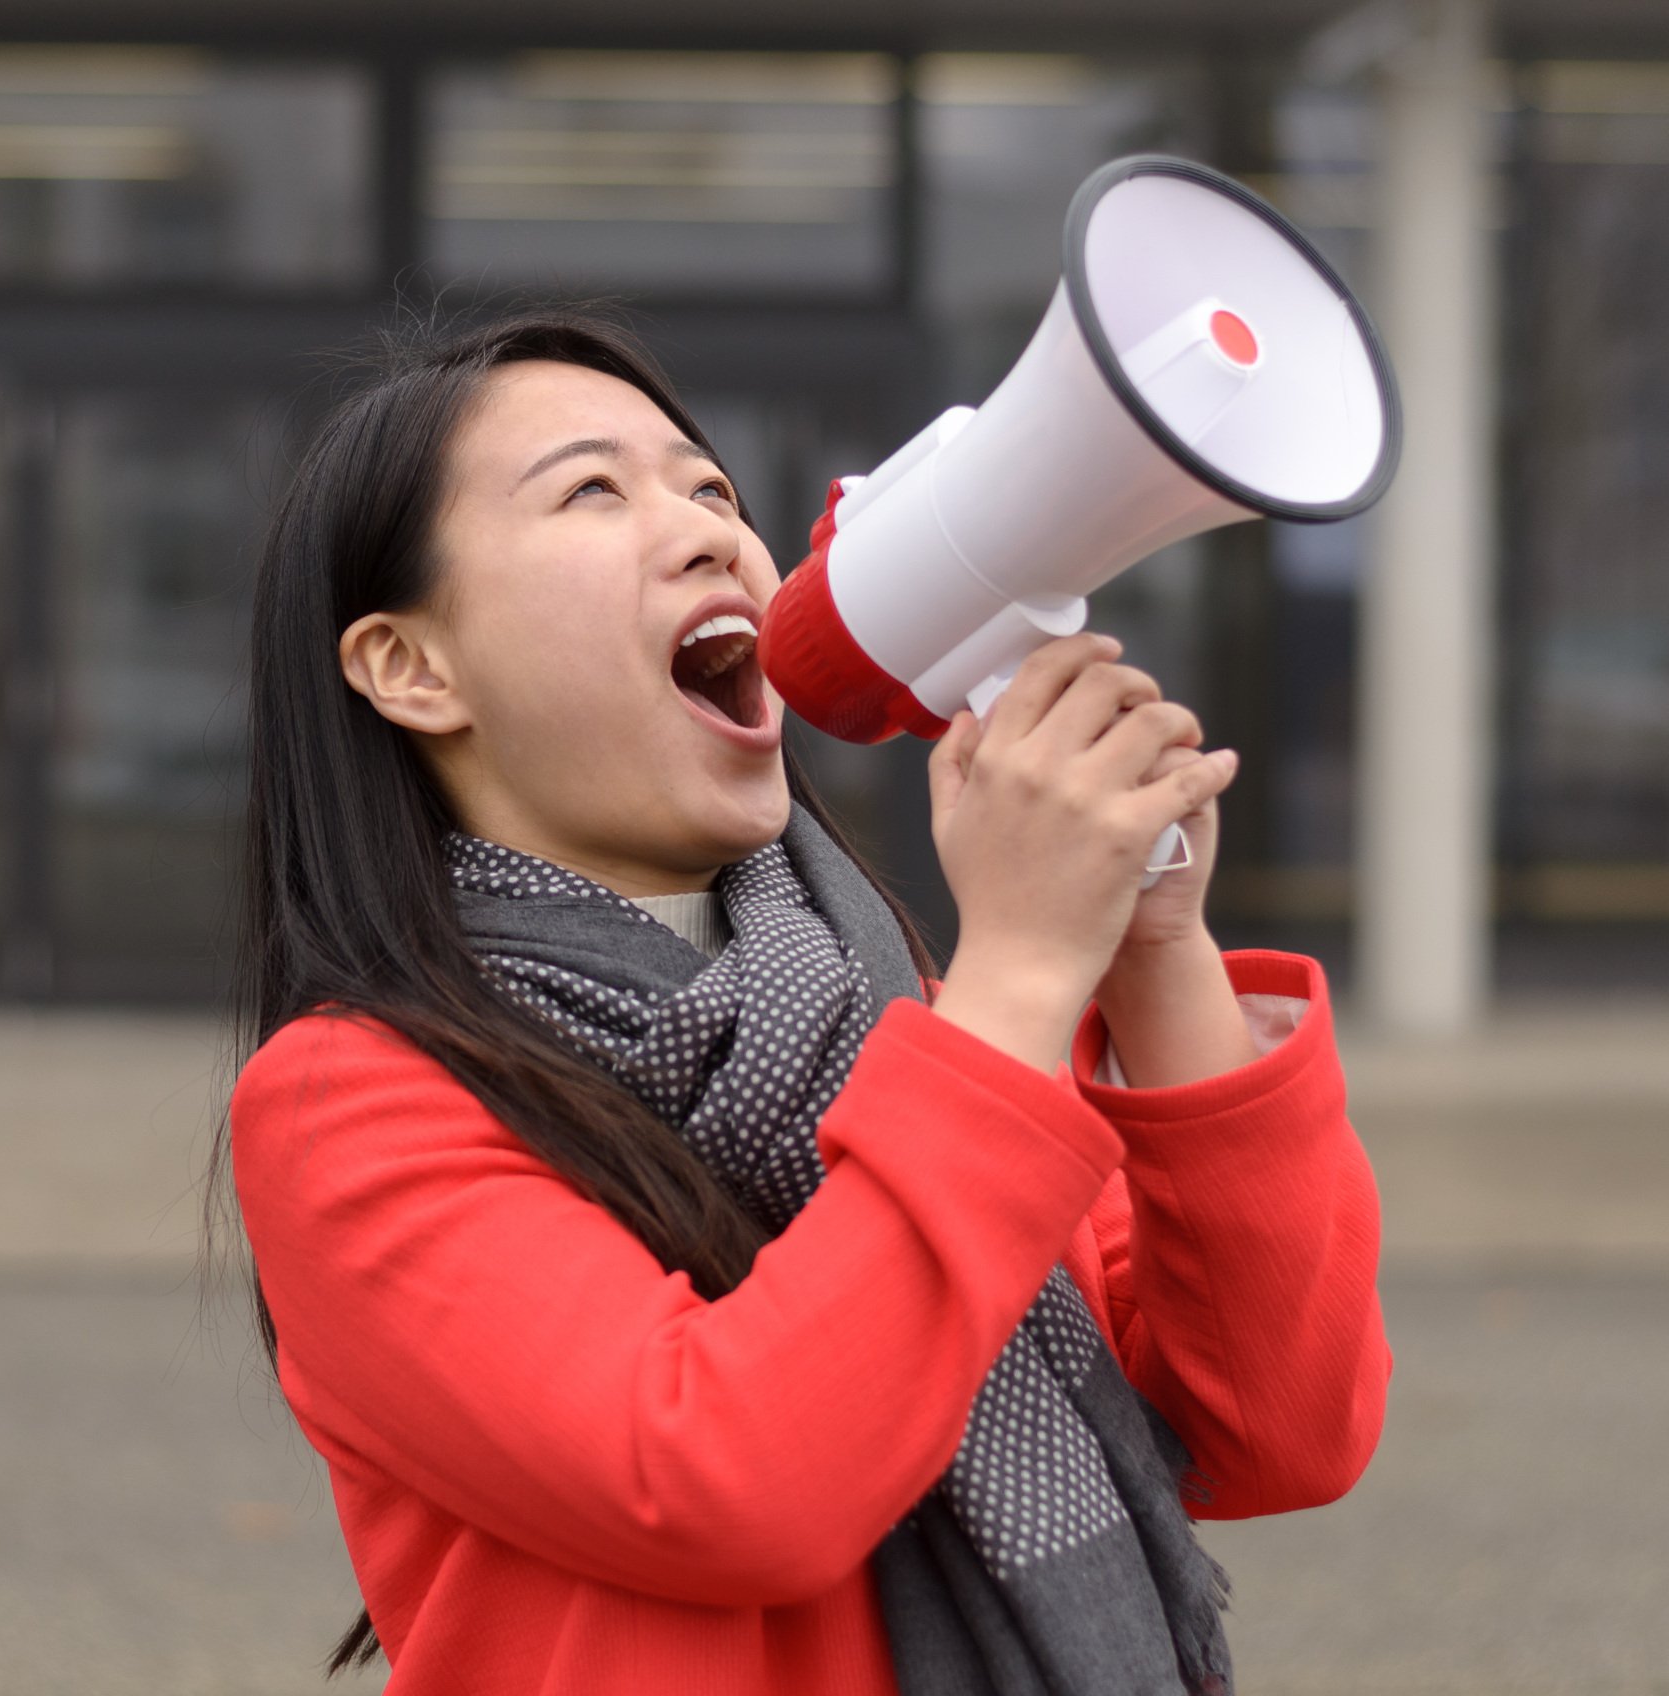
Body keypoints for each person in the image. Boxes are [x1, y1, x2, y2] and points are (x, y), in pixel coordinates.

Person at [214, 308, 1388, 1696]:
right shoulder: (348, 1100)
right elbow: (724, 1476)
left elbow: (1275, 1427)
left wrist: (1151, 941)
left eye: (711, 488)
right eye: (592, 492)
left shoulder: (909, 1030)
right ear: (411, 669)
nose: (709, 533)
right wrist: (1020, 975)